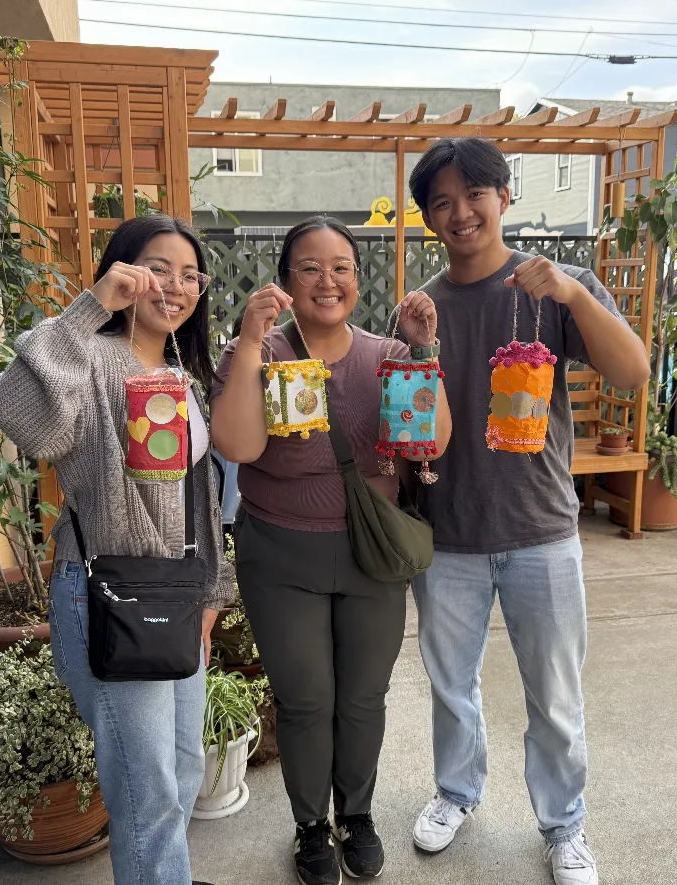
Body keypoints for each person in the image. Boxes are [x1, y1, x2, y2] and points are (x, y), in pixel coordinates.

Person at [405, 138, 649, 885]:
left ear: (503, 197)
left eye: (473, 195)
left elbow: (633, 371)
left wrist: (574, 295)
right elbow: (411, 422)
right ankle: (456, 793)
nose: (460, 212)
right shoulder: (423, 307)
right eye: (441, 202)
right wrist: (415, 349)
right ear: (428, 218)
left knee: (555, 697)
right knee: (451, 687)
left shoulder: (554, 286)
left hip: (541, 531)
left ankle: (565, 825)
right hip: (449, 534)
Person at [0, 214, 229, 885]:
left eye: (190, 275)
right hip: (110, 594)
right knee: (147, 790)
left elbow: (200, 499)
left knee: (181, 767)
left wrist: (210, 595)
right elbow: (14, 409)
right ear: (124, 270)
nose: (175, 285)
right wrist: (89, 308)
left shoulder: (181, 374)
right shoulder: (91, 359)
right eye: (158, 268)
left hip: (175, 596)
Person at [210, 216, 450, 885]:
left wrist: (425, 352)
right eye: (310, 268)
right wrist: (249, 340)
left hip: (372, 552)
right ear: (286, 280)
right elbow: (238, 445)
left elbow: (430, 441)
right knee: (306, 700)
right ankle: (311, 825)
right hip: (280, 555)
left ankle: (358, 815)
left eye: (341, 267)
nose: (327, 280)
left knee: (363, 697)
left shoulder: (387, 355)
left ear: (357, 279)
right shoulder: (258, 353)